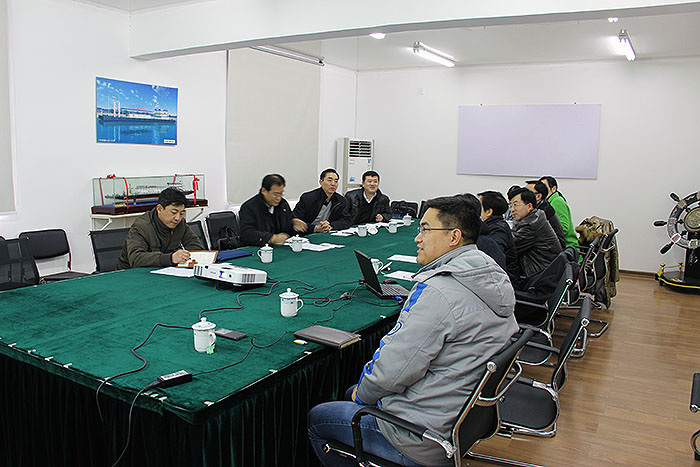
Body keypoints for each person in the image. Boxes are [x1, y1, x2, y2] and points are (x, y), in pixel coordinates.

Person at [308, 194, 518, 467]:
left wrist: (362, 395)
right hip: (461, 419)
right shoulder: (491, 275)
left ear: (454, 237)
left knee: (319, 417)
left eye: (425, 229)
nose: (418, 238)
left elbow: (391, 372)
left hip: (421, 435)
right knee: (354, 392)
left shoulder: (439, 291)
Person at [116, 188, 203, 269]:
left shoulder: (180, 224)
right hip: (131, 274)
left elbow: (195, 246)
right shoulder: (141, 226)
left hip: (163, 270)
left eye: (181, 213)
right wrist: (170, 258)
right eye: (173, 212)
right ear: (159, 209)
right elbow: (136, 259)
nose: (177, 218)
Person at [238, 174, 307, 246]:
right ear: (264, 191)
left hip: (281, 247)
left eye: (281, 193)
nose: (278, 198)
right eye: (275, 194)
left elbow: (287, 229)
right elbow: (247, 233)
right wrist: (271, 238)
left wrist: (293, 223)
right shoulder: (249, 207)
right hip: (257, 248)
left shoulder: (282, 204)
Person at [508, 187, 562, 280]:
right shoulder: (535, 216)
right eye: (510, 205)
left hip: (540, 277)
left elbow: (510, 248)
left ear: (529, 206)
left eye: (516, 205)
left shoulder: (530, 225)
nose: (512, 210)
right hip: (546, 272)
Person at [478, 190, 520, 283]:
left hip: (505, 281)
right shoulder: (496, 225)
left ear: (489, 212)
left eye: (480, 208)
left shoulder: (498, 230)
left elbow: (493, 258)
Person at [292, 168, 351, 234]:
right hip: (308, 233)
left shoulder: (340, 200)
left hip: (327, 233)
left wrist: (330, 225)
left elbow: (346, 220)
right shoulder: (308, 198)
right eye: (329, 180)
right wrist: (315, 228)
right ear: (321, 182)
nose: (333, 184)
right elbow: (296, 220)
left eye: (336, 181)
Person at [526, 180, 566, 249]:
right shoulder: (540, 206)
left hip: (550, 250)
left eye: (527, 193)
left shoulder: (542, 212)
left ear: (538, 196)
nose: (523, 196)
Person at [539, 175, 578, 247]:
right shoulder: (548, 202)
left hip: (567, 247)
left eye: (544, 187)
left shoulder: (557, 201)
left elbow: (563, 228)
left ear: (553, 189)